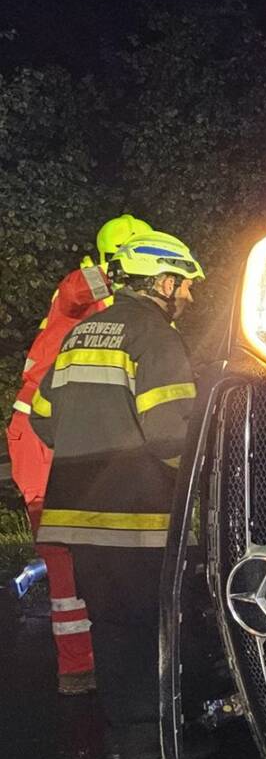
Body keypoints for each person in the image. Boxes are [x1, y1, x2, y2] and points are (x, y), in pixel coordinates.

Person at [30, 231, 205, 759]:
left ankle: (127, 736)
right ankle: (157, 743)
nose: (190, 299)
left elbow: (43, 419)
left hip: (78, 518)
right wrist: (201, 484)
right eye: (187, 285)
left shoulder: (80, 334)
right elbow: (170, 434)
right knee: (154, 625)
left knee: (110, 626)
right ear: (164, 281)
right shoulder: (153, 334)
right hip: (137, 518)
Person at [7, 214, 152, 694]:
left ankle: (102, 657)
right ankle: (77, 670)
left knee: (89, 544)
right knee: (64, 550)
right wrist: (115, 272)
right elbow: (74, 291)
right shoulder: (84, 288)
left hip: (63, 429)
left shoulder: (119, 307)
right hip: (42, 429)